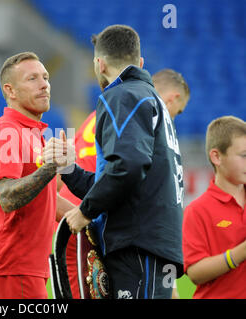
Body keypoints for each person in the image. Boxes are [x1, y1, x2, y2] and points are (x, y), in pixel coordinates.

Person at [57, 25, 184, 299]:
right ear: (140, 62)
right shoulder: (150, 98)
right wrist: (68, 170)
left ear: (99, 64)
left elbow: (129, 166)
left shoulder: (122, 95)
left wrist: (86, 211)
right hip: (151, 242)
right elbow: (125, 178)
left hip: (136, 244)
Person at [0, 52, 74, 299]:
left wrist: (91, 219)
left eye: (46, 77)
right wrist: (51, 167)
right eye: (32, 79)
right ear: (11, 91)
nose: (44, 84)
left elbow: (48, 201)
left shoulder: (33, 134)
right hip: (12, 267)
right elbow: (7, 197)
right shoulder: (6, 131)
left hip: (26, 269)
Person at [182, 116, 246, 299]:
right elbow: (195, 273)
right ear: (216, 157)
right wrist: (241, 252)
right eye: (244, 156)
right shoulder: (197, 210)